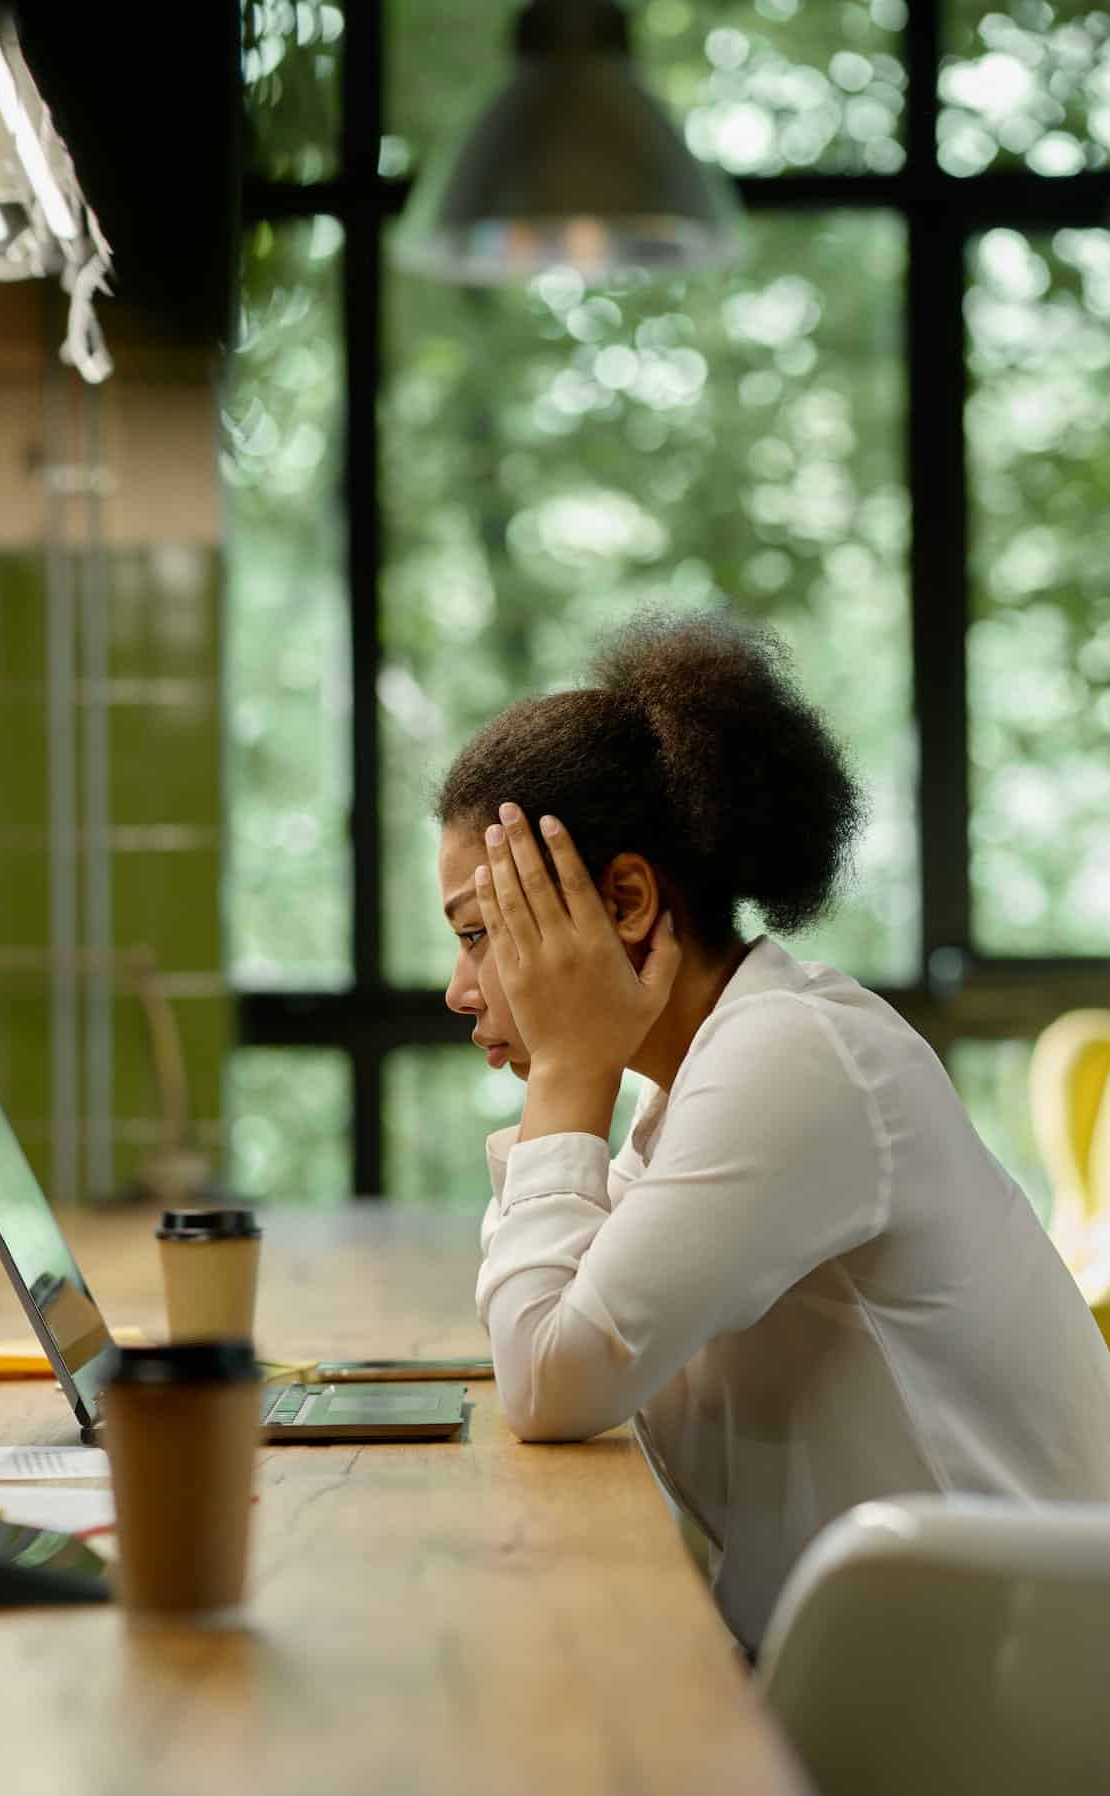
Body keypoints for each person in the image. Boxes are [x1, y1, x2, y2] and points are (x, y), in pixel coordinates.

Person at [436, 606, 1110, 1656]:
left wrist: (570, 1068)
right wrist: (576, 1078)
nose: (458, 986)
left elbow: (547, 1377)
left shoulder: (790, 1060)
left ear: (622, 898)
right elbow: (549, 1312)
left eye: (481, 933)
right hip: (926, 1657)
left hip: (1014, 1692)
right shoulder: (703, 1080)